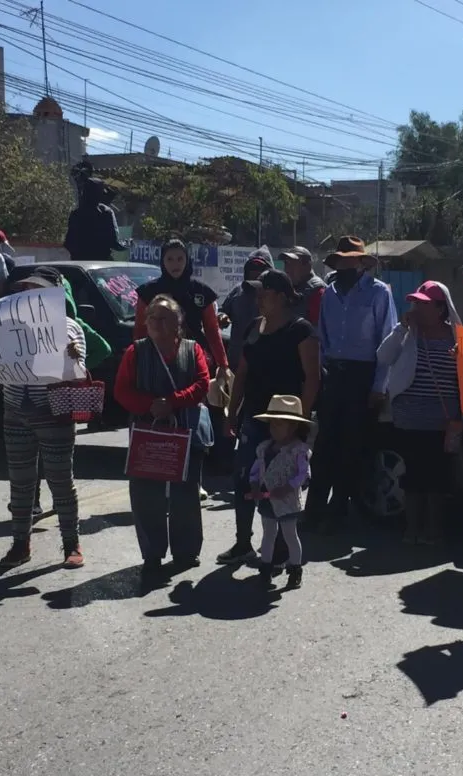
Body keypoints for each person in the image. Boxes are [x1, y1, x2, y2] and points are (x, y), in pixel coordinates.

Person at [218, 269, 321, 565]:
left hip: (286, 423)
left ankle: (280, 547)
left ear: (281, 296)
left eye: (264, 293)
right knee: (245, 479)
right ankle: (243, 543)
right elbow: (242, 374)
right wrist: (232, 413)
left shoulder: (302, 331)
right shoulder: (253, 327)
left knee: (280, 485)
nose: (259, 299)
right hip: (254, 417)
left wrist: (299, 424)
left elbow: (311, 379)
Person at [0, 266, 87, 569]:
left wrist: (72, 356)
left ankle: (72, 544)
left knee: (60, 480)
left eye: (37, 290)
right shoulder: (6, 326)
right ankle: (21, 544)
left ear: (53, 295)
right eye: (26, 289)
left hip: (53, 412)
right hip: (15, 410)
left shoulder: (69, 327)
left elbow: (78, 371)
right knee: (20, 483)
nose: (29, 294)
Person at [114, 294, 211, 585]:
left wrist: (173, 401)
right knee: (146, 495)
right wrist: (150, 406)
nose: (157, 322)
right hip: (148, 432)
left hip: (185, 431)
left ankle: (186, 552)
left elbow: (202, 384)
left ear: (178, 322)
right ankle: (152, 554)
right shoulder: (136, 351)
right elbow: (121, 390)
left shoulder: (192, 350)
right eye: (152, 317)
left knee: (186, 493)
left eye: (165, 317)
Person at [304, 235, 397, 533]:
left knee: (351, 447)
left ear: (360, 263)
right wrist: (321, 375)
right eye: (340, 260)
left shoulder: (379, 293)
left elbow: (387, 341)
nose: (344, 265)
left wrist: (378, 386)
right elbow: (323, 337)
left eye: (349, 260)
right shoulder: (330, 293)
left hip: (363, 374)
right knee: (324, 445)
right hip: (335, 373)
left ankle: (339, 510)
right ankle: (314, 509)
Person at [376, 280, 461, 545]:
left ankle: (433, 530)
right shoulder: (407, 333)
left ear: (440, 309)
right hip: (410, 419)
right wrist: (401, 328)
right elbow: (383, 356)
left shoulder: (458, 338)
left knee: (437, 480)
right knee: (412, 478)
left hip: (442, 421)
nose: (416, 309)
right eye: (415, 304)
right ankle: (411, 529)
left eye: (424, 305)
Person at [133, 239, 230, 380]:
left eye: (180, 259)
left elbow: (212, 330)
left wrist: (223, 364)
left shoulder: (201, 291)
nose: (175, 264)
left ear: (187, 260)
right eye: (170, 259)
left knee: (195, 398)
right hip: (158, 357)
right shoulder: (148, 292)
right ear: (162, 261)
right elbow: (140, 330)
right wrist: (139, 359)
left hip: (195, 357)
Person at [248, 395, 312, 590]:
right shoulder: (265, 448)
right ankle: (265, 569)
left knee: (290, 534)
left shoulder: (299, 450)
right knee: (268, 534)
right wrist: (254, 486)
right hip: (268, 499)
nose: (274, 429)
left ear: (293, 427)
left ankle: (295, 570)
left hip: (288, 500)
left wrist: (289, 487)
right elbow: (256, 469)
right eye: (272, 425)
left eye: (279, 425)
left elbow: (304, 474)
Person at [217, 247, 272, 371]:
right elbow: (223, 311)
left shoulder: (275, 294)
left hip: (264, 363)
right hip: (236, 361)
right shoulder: (238, 290)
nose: (256, 272)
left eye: (260, 269)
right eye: (252, 268)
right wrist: (221, 317)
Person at [63, 176, 126, 261]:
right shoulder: (106, 213)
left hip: (78, 263)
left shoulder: (76, 214)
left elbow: (68, 242)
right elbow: (113, 241)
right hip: (101, 263)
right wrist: (125, 245)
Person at [281, 246, 325, 325]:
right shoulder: (291, 287)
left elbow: (317, 331)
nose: (287, 269)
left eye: (292, 264)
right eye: (286, 263)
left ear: (307, 266)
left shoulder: (318, 292)